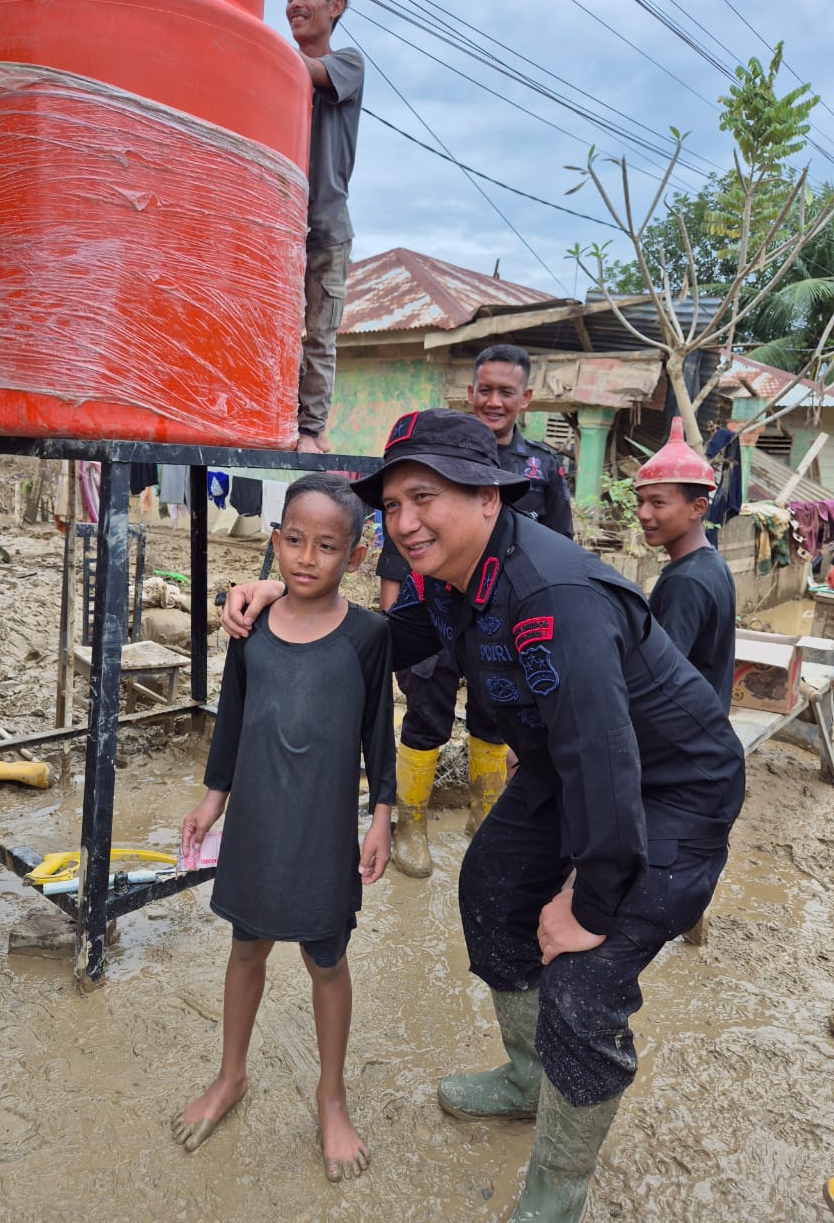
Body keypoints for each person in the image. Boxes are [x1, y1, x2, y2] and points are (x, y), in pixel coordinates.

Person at [221, 409, 745, 1222]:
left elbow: (609, 764)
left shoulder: (554, 599)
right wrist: (287, 597)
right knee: (494, 889)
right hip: (567, 771)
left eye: (424, 497)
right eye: (392, 505)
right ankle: (530, 1077)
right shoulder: (455, 581)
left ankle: (557, 1192)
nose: (405, 521)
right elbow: (384, 639)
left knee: (582, 976)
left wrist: (590, 899)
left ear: (489, 498)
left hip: (670, 788)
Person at [172, 473, 395, 1183]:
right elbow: (231, 717)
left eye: (327, 546)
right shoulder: (250, 626)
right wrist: (215, 798)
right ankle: (230, 1075)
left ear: (354, 558)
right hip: (259, 819)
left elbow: (377, 736)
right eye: (294, 540)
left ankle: (331, 1097)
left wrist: (381, 816)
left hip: (323, 826)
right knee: (247, 947)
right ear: (275, 542)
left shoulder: (369, 635)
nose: (306, 558)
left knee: (326, 958)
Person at [376, 345, 573, 877]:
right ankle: (410, 824)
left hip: (505, 621)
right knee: (426, 715)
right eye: (484, 390)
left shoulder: (541, 468)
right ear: (471, 392)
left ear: (524, 398)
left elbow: (558, 546)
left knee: (496, 718)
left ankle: (489, 814)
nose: (493, 401)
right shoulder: (436, 448)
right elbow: (402, 550)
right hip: (435, 609)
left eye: (505, 392)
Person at [287, 0, 364, 455]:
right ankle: (267, 415)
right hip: (276, 222)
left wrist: (245, 45)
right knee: (269, 324)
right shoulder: (276, 68)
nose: (295, 2)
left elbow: (309, 71)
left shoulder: (347, 63)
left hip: (325, 225)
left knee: (318, 333)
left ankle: (311, 431)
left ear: (334, 7)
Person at [634, 416, 736, 712]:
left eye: (658, 503)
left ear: (698, 507)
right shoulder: (711, 564)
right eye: (640, 501)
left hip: (684, 741)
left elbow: (658, 678)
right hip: (708, 724)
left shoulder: (686, 581)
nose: (643, 513)